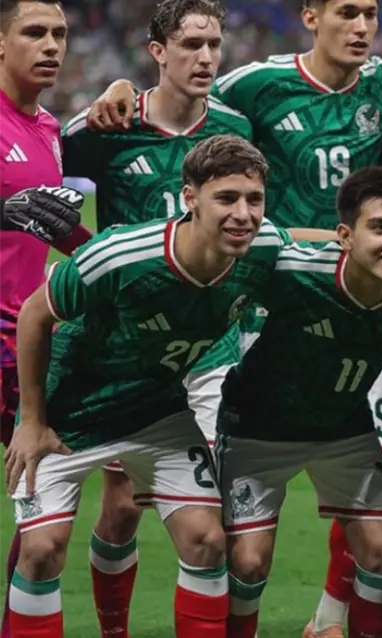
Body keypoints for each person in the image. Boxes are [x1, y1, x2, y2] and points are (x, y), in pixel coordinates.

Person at [86, 5, 382, 630]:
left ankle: (330, 615)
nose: (361, 26)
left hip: (372, 296)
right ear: (312, 16)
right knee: (140, 498)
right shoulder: (257, 84)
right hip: (276, 290)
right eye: (347, 12)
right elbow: (184, 88)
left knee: (370, 461)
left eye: (371, 13)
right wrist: (124, 87)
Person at [2, 134, 294, 638]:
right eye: (226, 198)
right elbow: (34, 314)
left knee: (207, 541)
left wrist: (355, 242)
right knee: (42, 550)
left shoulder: (263, 245)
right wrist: (30, 422)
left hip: (156, 409)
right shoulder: (121, 254)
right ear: (189, 199)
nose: (244, 214)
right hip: (70, 410)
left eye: (255, 199)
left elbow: (303, 242)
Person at [216, 165, 382, 638]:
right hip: (257, 429)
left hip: (344, 428)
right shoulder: (293, 271)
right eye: (381, 227)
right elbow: (245, 240)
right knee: (247, 564)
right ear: (345, 236)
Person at [0, 0, 92, 634]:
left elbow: (47, 223)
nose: (52, 44)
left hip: (25, 346)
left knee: (39, 521)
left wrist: (107, 255)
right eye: (34, 32)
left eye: (59, 32)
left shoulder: (49, 127)